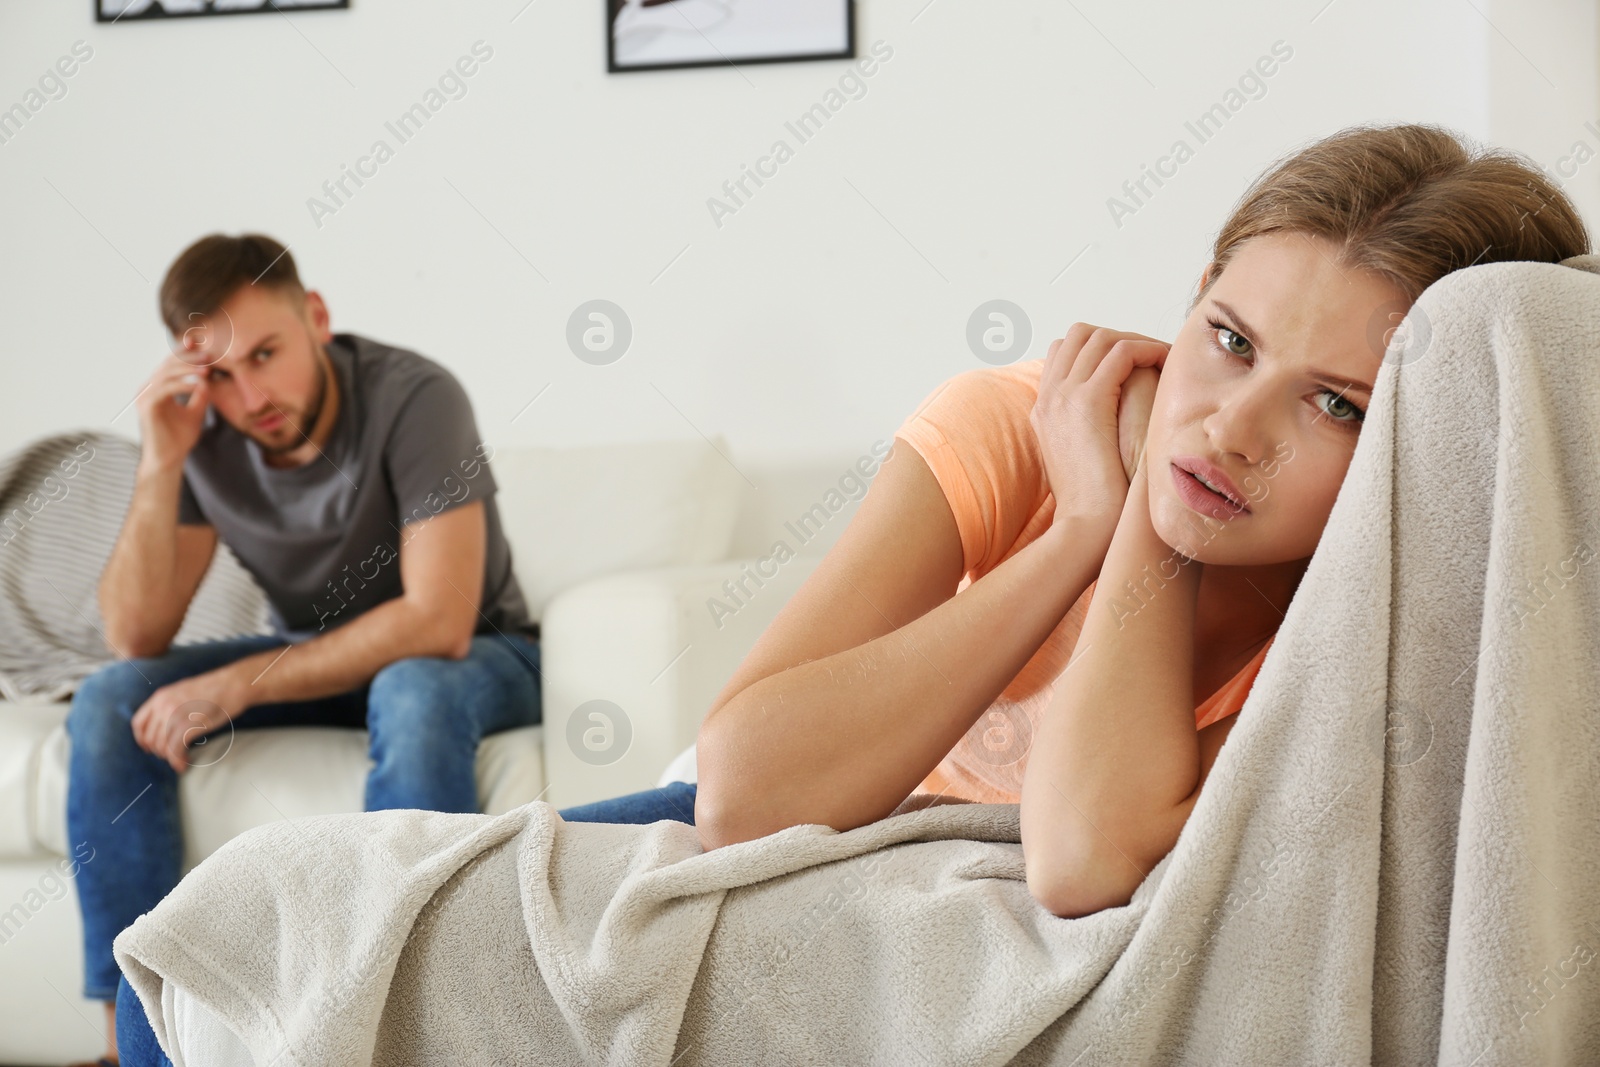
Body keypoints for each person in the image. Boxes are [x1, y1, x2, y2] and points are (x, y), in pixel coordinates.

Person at [110, 124, 1590, 1063]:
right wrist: (1075, 516)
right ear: (1183, 297)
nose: (1231, 424)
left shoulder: (1376, 606)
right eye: (1225, 336)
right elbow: (747, 785)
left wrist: (1122, 527)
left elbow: (1077, 862)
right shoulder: (1022, 421)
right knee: (293, 931)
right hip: (814, 787)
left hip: (944, 837)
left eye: (1333, 404)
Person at [68, 232, 552, 1067]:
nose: (251, 393)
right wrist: (159, 463)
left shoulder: (416, 396)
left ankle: (404, 1028)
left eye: (266, 353)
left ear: (316, 318)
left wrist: (242, 683)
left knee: (413, 686)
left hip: (483, 653)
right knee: (110, 698)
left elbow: (438, 618)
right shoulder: (202, 437)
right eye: (220, 373)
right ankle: (136, 1044)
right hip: (323, 657)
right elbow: (133, 636)